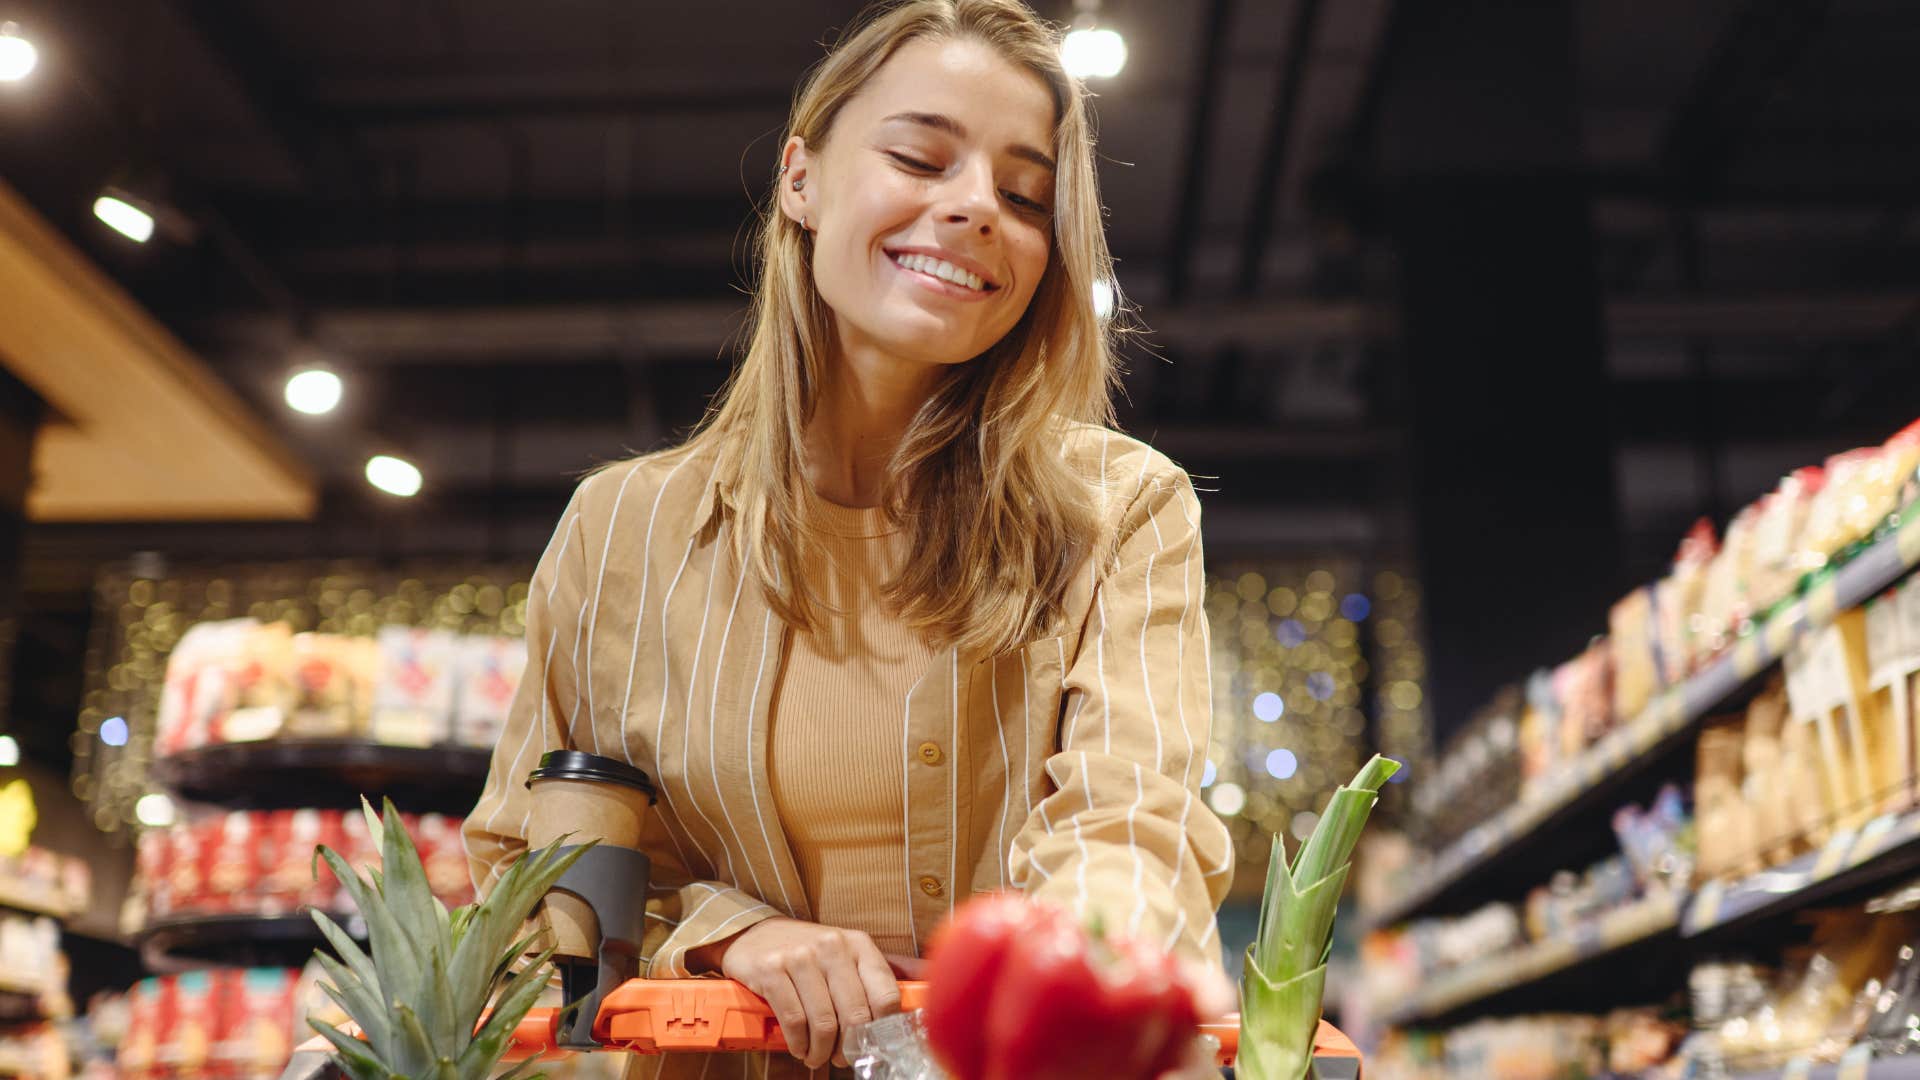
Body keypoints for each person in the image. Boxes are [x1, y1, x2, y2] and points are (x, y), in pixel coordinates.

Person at [463, 1, 1233, 1076]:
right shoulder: (620, 531)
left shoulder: (1120, 507)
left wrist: (1077, 969)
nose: (973, 209)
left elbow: (1130, 822)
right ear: (801, 180)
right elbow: (529, 871)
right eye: (921, 157)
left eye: (1022, 194)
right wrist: (731, 934)